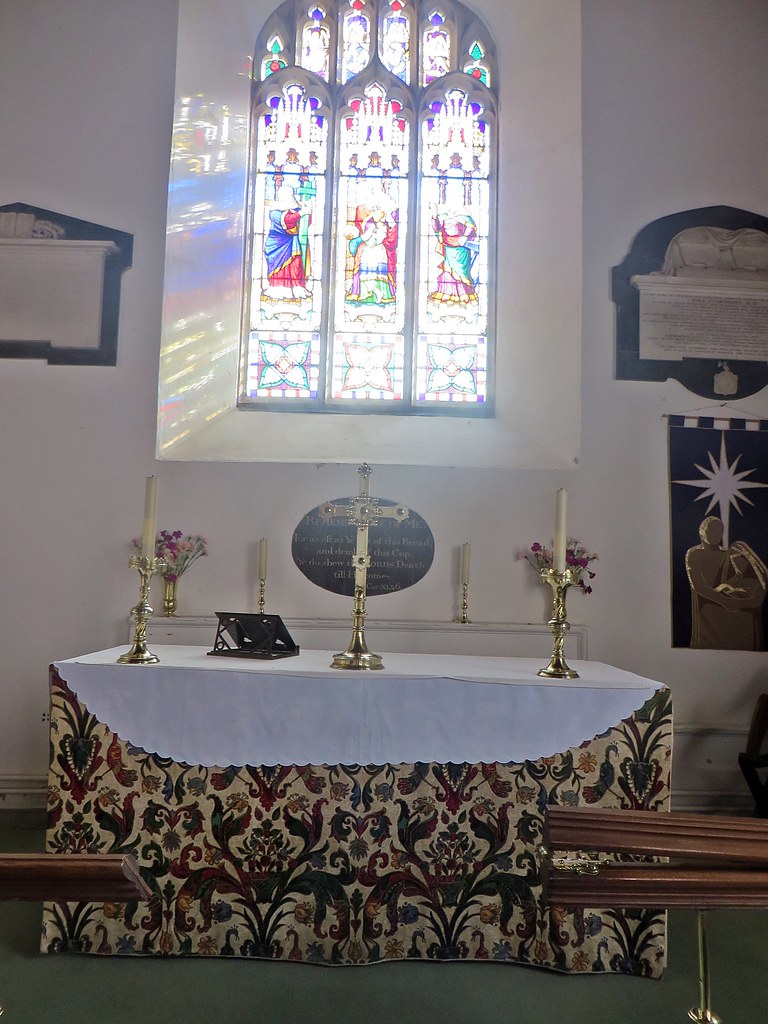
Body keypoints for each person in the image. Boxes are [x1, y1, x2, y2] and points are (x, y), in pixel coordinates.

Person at [686, 516, 768, 650]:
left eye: (719, 531)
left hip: (728, 599)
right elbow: (699, 587)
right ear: (702, 532)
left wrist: (732, 588)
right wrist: (724, 601)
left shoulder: (729, 553)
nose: (716, 535)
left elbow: (739, 576)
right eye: (712, 531)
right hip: (708, 604)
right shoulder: (694, 554)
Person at [262, 184, 311, 300]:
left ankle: (296, 287)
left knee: (296, 263)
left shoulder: (290, 210)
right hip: (278, 243)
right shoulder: (275, 211)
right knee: (280, 268)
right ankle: (280, 289)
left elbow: (294, 214)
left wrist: (303, 209)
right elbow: (287, 220)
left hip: (291, 242)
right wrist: (302, 213)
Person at [428, 206, 479, 306]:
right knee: (447, 270)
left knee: (461, 272)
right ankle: (446, 293)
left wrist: (465, 236)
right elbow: (437, 228)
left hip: (461, 249)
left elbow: (471, 227)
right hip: (447, 247)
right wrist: (434, 216)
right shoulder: (443, 216)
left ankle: (463, 294)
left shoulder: (465, 216)